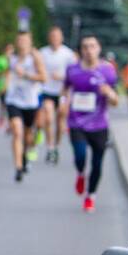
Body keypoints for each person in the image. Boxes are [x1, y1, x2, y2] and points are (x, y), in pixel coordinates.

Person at [62, 34, 118, 213]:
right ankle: (80, 174)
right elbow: (65, 90)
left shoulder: (107, 71)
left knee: (97, 163)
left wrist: (109, 93)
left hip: (100, 124)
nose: (89, 50)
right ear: (81, 50)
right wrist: (63, 103)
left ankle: (90, 195)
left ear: (99, 48)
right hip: (76, 121)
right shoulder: (72, 70)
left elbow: (116, 101)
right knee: (80, 156)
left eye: (92, 46)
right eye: (85, 47)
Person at [4, 31, 47, 182]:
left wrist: (26, 75)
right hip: (14, 100)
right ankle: (18, 167)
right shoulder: (12, 58)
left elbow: (43, 78)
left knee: (28, 134)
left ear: (30, 42)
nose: (22, 42)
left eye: (25, 40)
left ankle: (25, 154)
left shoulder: (35, 58)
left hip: (30, 101)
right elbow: (7, 75)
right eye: (19, 40)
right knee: (17, 132)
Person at [38, 26, 77, 164]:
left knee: (61, 121)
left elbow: (73, 74)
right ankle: (49, 147)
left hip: (62, 91)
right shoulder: (42, 52)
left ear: (61, 38)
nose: (55, 39)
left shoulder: (68, 54)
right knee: (48, 118)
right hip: (47, 90)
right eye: (52, 36)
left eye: (57, 36)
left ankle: (57, 146)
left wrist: (61, 77)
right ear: (49, 38)